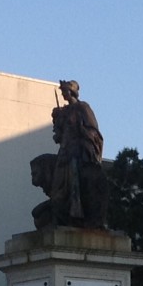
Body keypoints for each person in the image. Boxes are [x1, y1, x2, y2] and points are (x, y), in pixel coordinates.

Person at [50, 80, 107, 228]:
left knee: (75, 184)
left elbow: (93, 131)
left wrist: (82, 131)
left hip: (76, 151)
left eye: (65, 91)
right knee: (56, 189)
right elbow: (59, 136)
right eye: (62, 91)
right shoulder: (64, 111)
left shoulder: (83, 108)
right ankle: (62, 217)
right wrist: (57, 121)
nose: (62, 94)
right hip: (64, 151)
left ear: (72, 91)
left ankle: (78, 214)